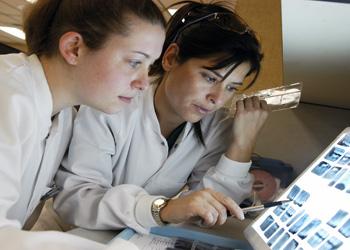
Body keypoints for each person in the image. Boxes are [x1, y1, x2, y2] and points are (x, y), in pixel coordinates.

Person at [54, 1, 269, 234]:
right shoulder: (113, 100)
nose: (216, 98)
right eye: (209, 78)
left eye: (231, 88)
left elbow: (211, 211)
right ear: (171, 57)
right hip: (66, 234)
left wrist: (242, 145)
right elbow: (76, 199)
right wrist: (162, 209)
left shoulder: (215, 124)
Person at [0, 0, 165, 249]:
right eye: (134, 62)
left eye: (149, 66)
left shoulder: (62, 116)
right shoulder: (8, 95)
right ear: (74, 48)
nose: (143, 82)